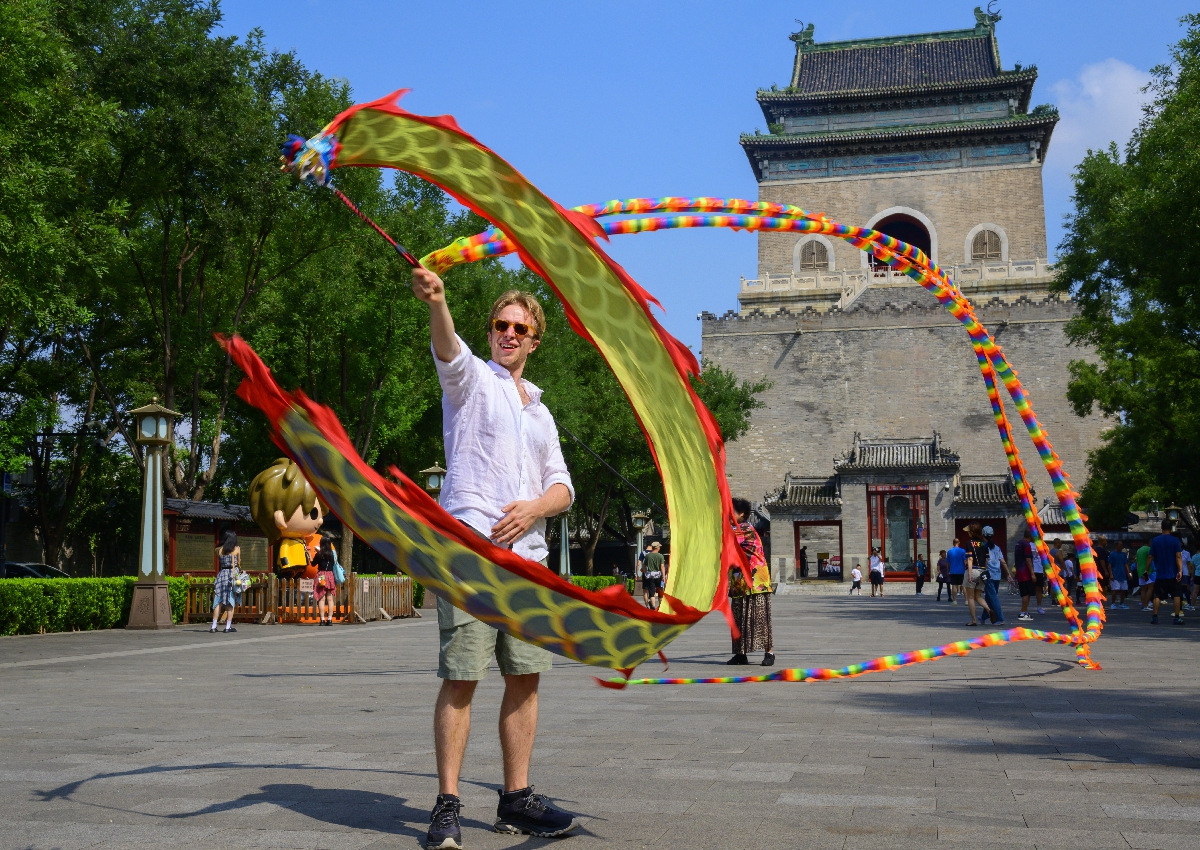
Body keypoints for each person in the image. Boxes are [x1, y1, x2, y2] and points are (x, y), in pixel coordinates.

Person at [411, 268, 579, 849]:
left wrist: (534, 509)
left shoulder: (540, 411)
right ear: (489, 333)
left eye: (520, 328)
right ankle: (448, 804)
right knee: (462, 677)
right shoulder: (471, 382)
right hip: (471, 555)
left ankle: (516, 799)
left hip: (528, 562)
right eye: (500, 325)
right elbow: (446, 349)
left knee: (525, 678)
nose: (508, 334)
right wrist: (437, 302)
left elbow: (563, 487)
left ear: (535, 341)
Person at [728, 497, 774, 666]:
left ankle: (769, 652)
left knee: (760, 618)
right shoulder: (733, 528)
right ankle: (741, 654)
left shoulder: (744, 529)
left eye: (731, 511)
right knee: (738, 618)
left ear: (742, 514)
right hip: (740, 581)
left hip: (756, 582)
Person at [1149, 519, 1184, 626]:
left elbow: (1151, 556)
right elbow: (1178, 556)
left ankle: (1155, 617)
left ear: (1161, 527)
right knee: (1177, 595)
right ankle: (1177, 617)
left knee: (1157, 595)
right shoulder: (1175, 540)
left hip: (1160, 573)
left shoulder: (1155, 540)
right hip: (1173, 572)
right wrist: (1180, 570)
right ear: (1171, 528)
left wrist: (1146, 569)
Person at [962, 523, 993, 627]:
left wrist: (969, 574)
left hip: (973, 570)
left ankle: (974, 620)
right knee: (978, 596)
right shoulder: (984, 544)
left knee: (970, 597)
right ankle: (989, 610)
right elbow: (987, 560)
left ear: (972, 532)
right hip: (982, 572)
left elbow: (970, 559)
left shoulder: (969, 543)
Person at [211, 529, 241, 633]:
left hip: (222, 574)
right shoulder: (236, 549)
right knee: (231, 601)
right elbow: (239, 562)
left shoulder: (218, 550)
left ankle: (213, 626)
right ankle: (228, 627)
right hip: (232, 575)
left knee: (218, 600)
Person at [981, 526, 1006, 625]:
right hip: (997, 575)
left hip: (988, 575)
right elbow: (1003, 561)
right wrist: (1008, 574)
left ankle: (1000, 618)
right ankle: (984, 616)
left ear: (983, 536)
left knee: (993, 597)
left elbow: (985, 561)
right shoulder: (997, 548)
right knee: (989, 596)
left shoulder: (983, 547)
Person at [313, 534, 338, 626]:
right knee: (330, 599)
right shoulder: (333, 554)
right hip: (330, 575)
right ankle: (330, 620)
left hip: (321, 576)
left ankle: (322, 620)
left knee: (321, 598)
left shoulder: (319, 554)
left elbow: (312, 564)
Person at [1014, 530, 1036, 621]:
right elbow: (1028, 560)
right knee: (1026, 593)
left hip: (1019, 571)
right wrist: (1032, 573)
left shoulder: (1018, 543)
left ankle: (1025, 611)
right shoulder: (1027, 545)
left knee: (1024, 592)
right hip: (1025, 573)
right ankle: (1023, 612)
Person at [642, 542, 665, 610]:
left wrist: (646, 573)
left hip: (650, 576)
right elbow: (662, 567)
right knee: (660, 591)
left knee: (651, 592)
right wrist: (663, 576)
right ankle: (660, 607)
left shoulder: (647, 556)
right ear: (657, 548)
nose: (660, 548)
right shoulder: (660, 556)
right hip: (658, 576)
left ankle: (653, 606)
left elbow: (644, 566)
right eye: (659, 547)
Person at [1108, 539, 1130, 609]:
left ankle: (1121, 603)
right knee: (1115, 590)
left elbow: (1126, 564)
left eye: (1122, 545)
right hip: (1115, 575)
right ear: (1116, 545)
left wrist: (1128, 573)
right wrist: (1111, 574)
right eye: (1120, 545)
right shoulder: (1112, 554)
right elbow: (1109, 565)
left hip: (1123, 575)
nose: (1121, 546)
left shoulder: (1123, 554)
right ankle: (1113, 603)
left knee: (1124, 590)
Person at [946, 539, 967, 605]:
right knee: (964, 586)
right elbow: (965, 561)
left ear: (953, 543)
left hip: (953, 571)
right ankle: (966, 600)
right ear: (959, 543)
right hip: (961, 571)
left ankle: (955, 600)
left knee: (954, 585)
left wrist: (947, 571)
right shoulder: (963, 551)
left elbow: (947, 562)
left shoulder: (949, 551)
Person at [1136, 539, 1154, 610]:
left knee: (1143, 589)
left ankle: (1143, 605)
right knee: (1150, 587)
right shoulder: (1149, 549)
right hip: (1146, 571)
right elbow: (1151, 558)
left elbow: (1137, 561)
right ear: (1149, 542)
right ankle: (1146, 605)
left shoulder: (1138, 550)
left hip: (1140, 570)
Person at [1031, 542, 1047, 614]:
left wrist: (1045, 570)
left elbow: (1044, 558)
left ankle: (1039, 606)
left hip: (1039, 570)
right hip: (1030, 569)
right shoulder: (1028, 544)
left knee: (1039, 589)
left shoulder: (1042, 545)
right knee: (1028, 590)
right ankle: (1025, 609)